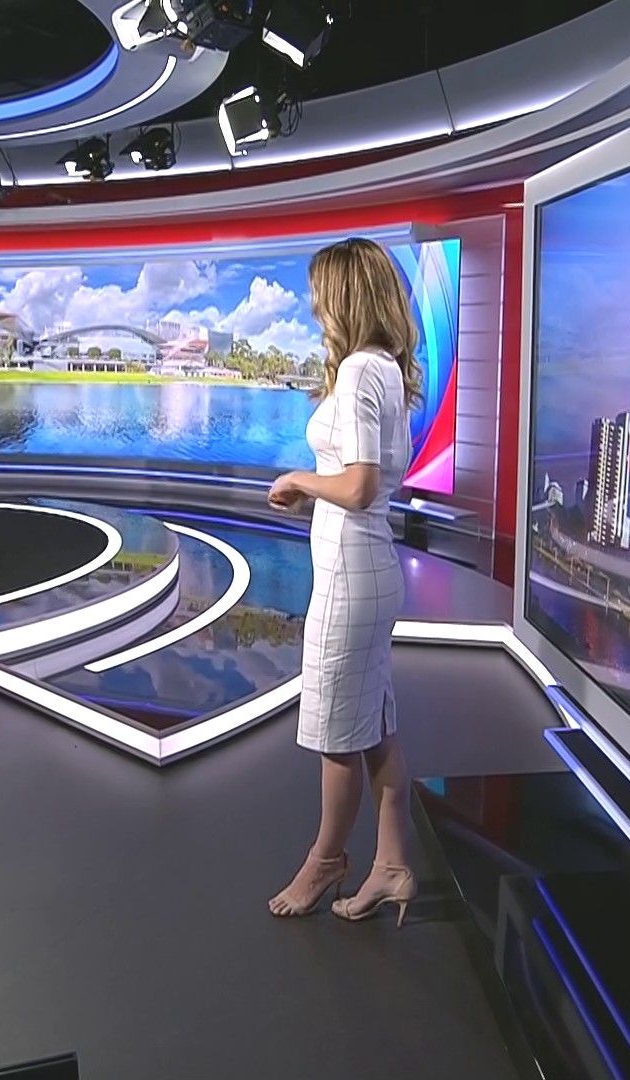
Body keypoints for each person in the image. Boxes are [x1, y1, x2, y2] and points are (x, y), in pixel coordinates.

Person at [265, 238, 421, 926]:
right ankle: (392, 865)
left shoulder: (359, 371)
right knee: (376, 725)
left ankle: (326, 861)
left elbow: (357, 487)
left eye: (319, 294)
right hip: (372, 569)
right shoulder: (385, 369)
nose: (312, 307)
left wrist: (301, 480)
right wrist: (316, 493)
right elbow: (368, 486)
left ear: (345, 296)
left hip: (350, 579)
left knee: (337, 733)